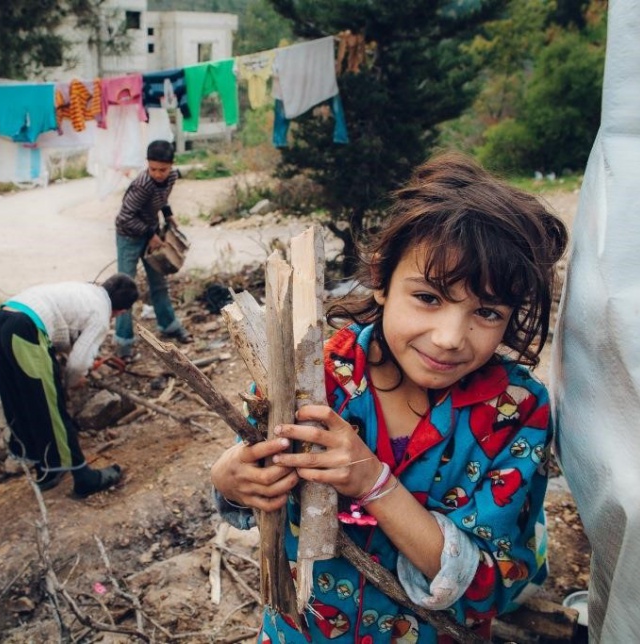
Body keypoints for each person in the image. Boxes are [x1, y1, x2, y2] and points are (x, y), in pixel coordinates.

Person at [211, 152, 568, 642]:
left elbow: (491, 583)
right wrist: (229, 478)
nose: (449, 337)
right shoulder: (309, 378)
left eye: (487, 312)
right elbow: (250, 478)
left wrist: (374, 483)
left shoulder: (515, 411)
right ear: (381, 280)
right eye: (428, 298)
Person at [0, 273, 138, 497]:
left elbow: (63, 331)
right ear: (122, 311)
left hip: (0, 321)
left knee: (22, 399)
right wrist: (72, 382)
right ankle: (84, 477)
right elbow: (77, 364)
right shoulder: (101, 315)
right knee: (52, 407)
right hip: (25, 328)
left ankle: (47, 469)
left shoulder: (87, 292)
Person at [114, 139, 192, 361]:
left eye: (162, 170)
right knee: (125, 288)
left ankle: (169, 326)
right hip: (129, 236)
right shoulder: (142, 185)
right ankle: (123, 341)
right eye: (153, 169)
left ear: (171, 166)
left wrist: (168, 214)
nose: (158, 174)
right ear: (147, 164)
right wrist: (150, 235)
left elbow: (162, 198)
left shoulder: (172, 177)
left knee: (159, 283)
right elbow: (124, 217)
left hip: (152, 233)